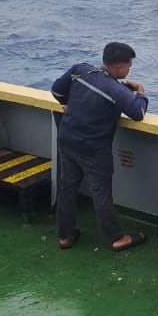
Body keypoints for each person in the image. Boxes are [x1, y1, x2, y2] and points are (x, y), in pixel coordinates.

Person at [51, 42, 149, 251]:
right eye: (129, 66)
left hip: (67, 138)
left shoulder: (80, 70)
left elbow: (57, 91)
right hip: (93, 149)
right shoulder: (116, 90)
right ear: (119, 67)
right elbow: (138, 113)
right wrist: (140, 92)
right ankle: (115, 238)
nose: (129, 69)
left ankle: (65, 236)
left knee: (67, 187)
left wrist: (71, 104)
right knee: (100, 192)